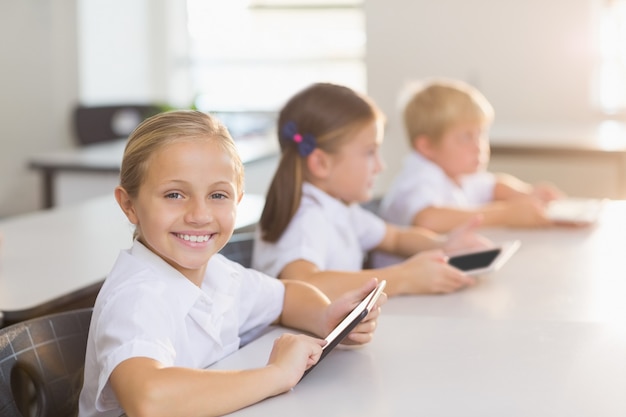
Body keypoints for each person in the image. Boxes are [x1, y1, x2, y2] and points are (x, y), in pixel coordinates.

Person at [78, 110, 386, 417]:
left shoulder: (218, 273)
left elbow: (286, 296)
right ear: (129, 205)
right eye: (174, 194)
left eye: (217, 195)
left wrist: (325, 316)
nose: (199, 215)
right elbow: (150, 400)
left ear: (237, 201)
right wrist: (276, 374)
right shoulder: (136, 297)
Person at [252, 82, 491, 301]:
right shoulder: (305, 218)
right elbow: (302, 284)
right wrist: (404, 277)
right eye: (369, 152)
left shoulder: (339, 207)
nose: (380, 166)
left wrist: (445, 244)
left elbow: (395, 238)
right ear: (321, 163)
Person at [378, 78, 565, 235]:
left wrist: (527, 193)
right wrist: (506, 214)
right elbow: (428, 220)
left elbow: (494, 185)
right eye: (466, 137)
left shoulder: (458, 172)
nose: (479, 146)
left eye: (481, 134)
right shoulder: (417, 179)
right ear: (427, 146)